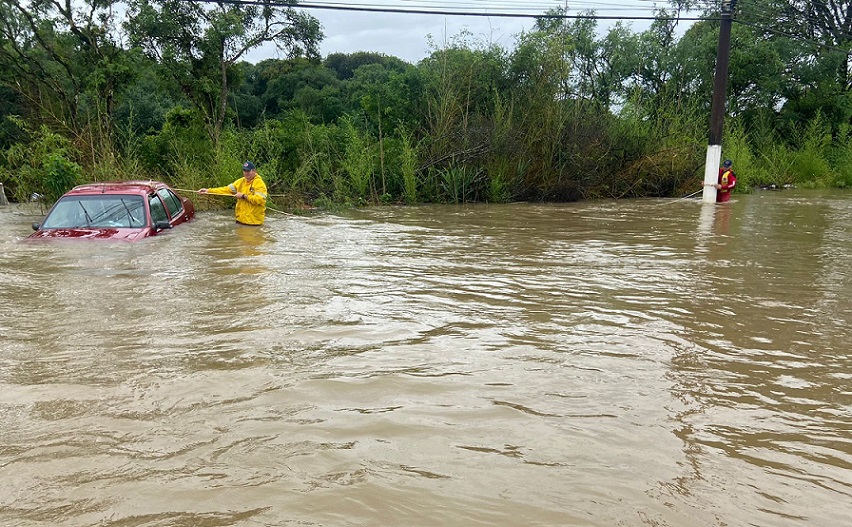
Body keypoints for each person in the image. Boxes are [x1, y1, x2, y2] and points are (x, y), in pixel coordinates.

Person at [199, 161, 268, 225]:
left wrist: (243, 196)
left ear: (254, 171)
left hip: (253, 223)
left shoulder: (259, 183)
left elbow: (260, 200)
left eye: (248, 171)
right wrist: (208, 191)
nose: (246, 173)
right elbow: (226, 190)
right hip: (240, 221)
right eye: (244, 170)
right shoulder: (240, 182)